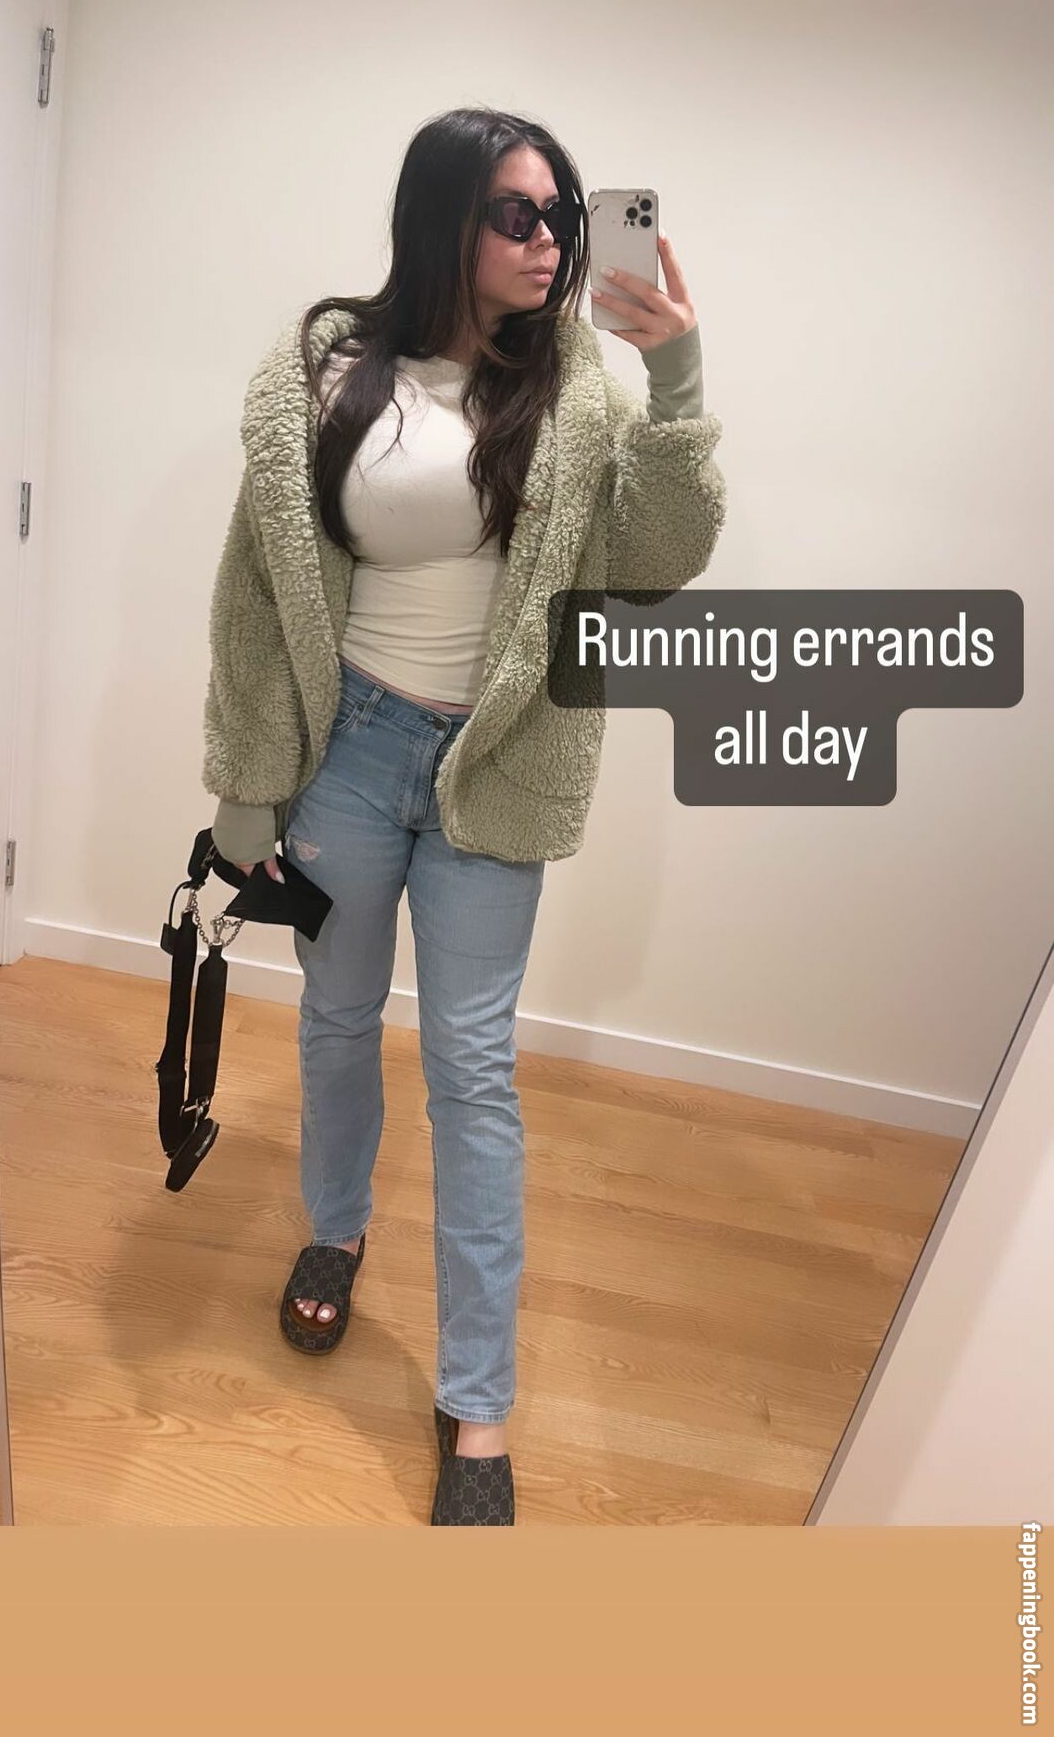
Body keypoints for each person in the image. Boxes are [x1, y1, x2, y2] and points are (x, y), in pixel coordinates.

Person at [201, 105, 726, 1525]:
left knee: (472, 1071)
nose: (549, 240)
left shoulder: (580, 386)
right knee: (334, 1016)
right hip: (348, 756)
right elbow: (257, 590)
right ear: (443, 218)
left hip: (497, 762)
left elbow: (656, 564)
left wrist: (675, 376)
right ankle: (336, 1232)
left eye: (561, 214)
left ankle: (477, 1404)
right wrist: (247, 783)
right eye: (516, 213)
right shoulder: (324, 367)